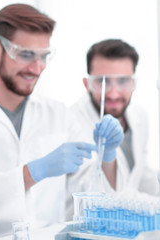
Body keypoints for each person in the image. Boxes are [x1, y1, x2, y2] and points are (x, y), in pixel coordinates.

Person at [0, 4, 123, 238]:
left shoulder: (60, 115)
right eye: (26, 55)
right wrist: (32, 172)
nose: (37, 68)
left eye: (44, 57)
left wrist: (108, 156)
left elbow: (90, 198)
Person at [66, 39, 159, 219]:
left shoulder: (139, 116)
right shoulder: (71, 122)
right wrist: (107, 154)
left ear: (134, 83)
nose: (113, 93)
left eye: (123, 81)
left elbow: (140, 175)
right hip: (89, 229)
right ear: (87, 84)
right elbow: (92, 195)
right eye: (103, 82)